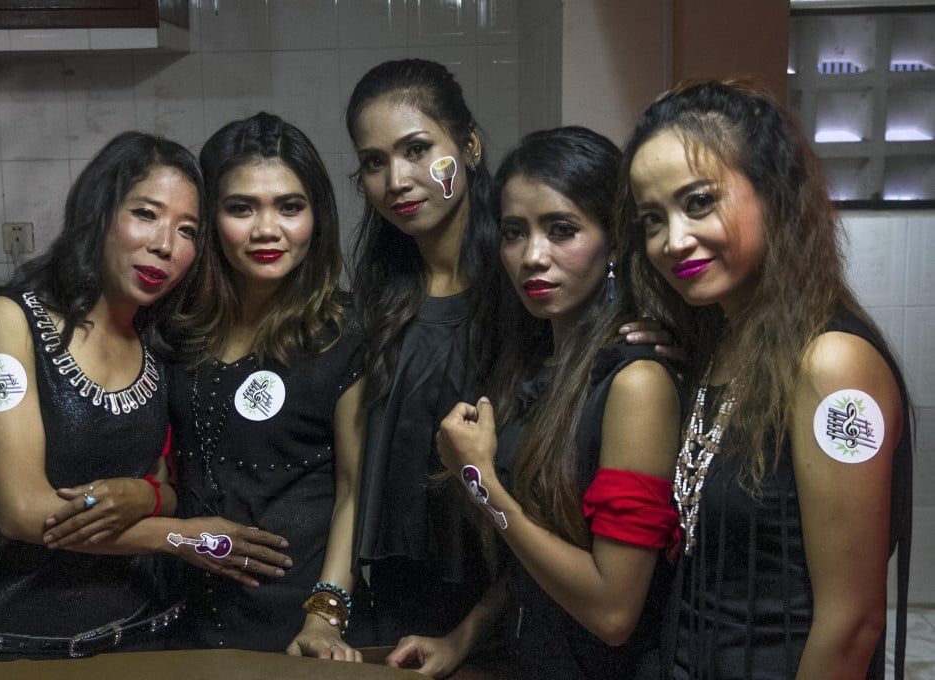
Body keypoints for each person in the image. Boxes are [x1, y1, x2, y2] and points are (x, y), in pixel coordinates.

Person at [345, 57, 675, 649]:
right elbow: (353, 480)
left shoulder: (534, 305)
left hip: (524, 614)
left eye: (418, 149)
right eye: (374, 162)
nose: (397, 179)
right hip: (429, 614)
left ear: (468, 145)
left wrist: (673, 335)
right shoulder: (377, 298)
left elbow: (608, 598)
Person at [618, 79, 913, 679]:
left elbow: (854, 621)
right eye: (653, 218)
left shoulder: (832, 366)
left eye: (699, 202)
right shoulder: (720, 346)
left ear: (774, 194)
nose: (673, 241)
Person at [0, 132, 205, 661]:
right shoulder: (9, 321)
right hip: (8, 643)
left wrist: (145, 496)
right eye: (146, 214)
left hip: (142, 634)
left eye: (187, 230)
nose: (166, 244)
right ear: (99, 213)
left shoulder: (161, 340)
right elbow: (24, 511)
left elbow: (169, 484)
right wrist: (178, 537)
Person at [162, 112, 366, 659]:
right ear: (210, 221)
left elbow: (354, 491)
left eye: (289, 207)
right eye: (241, 207)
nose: (267, 229)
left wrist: (326, 615)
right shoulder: (177, 329)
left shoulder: (345, 335)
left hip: (296, 625)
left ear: (315, 217)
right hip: (182, 614)